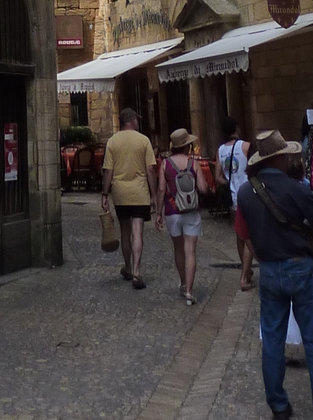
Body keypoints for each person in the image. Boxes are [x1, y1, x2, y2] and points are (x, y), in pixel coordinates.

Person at [237, 129, 313, 420]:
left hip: (270, 269)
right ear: (281, 159)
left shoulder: (246, 191)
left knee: (272, 341)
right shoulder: (294, 188)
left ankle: (279, 406)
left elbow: (246, 233)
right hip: (300, 266)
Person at [101, 107, 159, 289]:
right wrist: (154, 194)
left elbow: (108, 171)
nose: (138, 122)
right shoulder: (144, 141)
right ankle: (136, 271)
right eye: (137, 119)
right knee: (138, 232)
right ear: (132, 120)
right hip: (140, 191)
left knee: (125, 232)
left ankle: (127, 266)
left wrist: (104, 194)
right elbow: (150, 169)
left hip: (120, 192)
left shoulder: (112, 142)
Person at [159, 127, 211, 303]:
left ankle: (182, 283)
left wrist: (158, 212)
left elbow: (161, 189)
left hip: (172, 211)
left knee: (179, 249)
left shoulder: (165, 164)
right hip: (191, 211)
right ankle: (189, 290)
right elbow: (203, 188)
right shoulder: (193, 163)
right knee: (191, 251)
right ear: (186, 146)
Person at [217, 114, 254, 290]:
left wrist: (230, 182)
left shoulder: (220, 151)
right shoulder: (246, 146)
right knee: (249, 236)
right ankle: (244, 276)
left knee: (240, 235)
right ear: (237, 128)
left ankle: (246, 269)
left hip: (233, 198)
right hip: (248, 195)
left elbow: (218, 177)